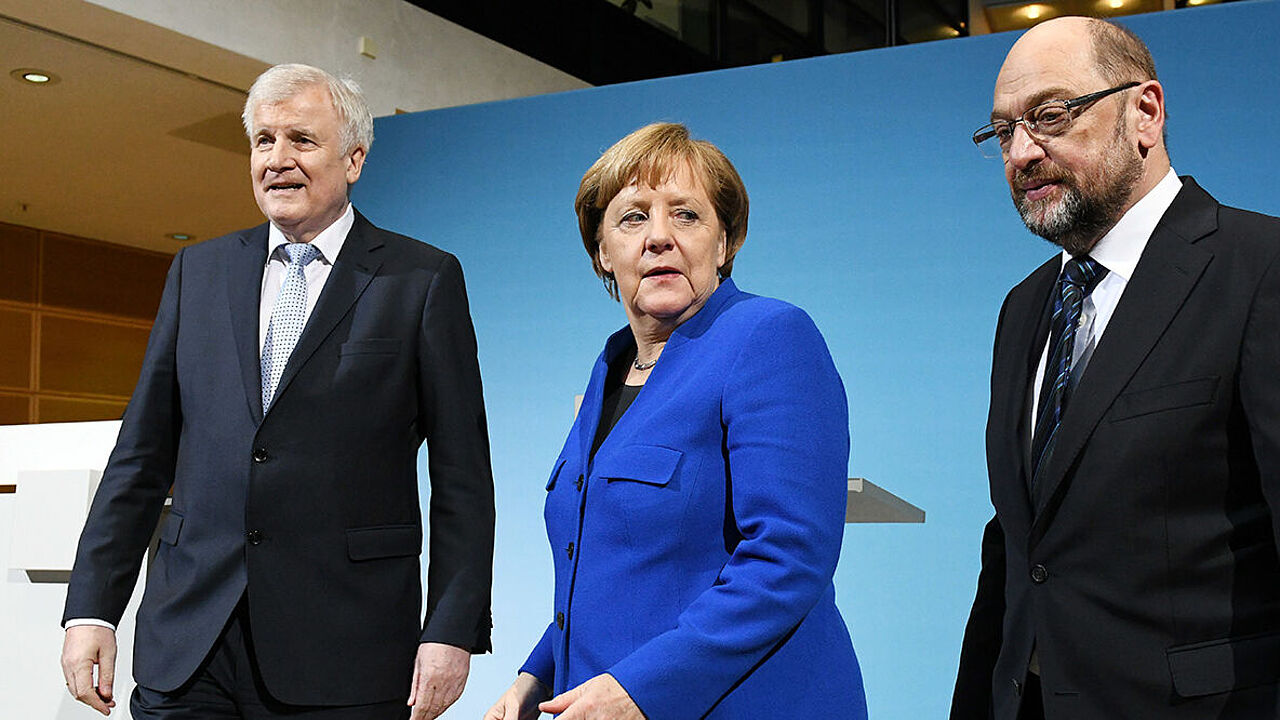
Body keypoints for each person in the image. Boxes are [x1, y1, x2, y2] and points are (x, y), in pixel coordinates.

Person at [59, 64, 495, 720]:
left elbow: (462, 479)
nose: (278, 159)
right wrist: (92, 607)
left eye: (301, 140)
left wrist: (451, 627)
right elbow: (140, 458)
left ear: (354, 159)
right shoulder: (197, 272)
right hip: (190, 644)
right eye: (263, 141)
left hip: (345, 651)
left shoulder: (421, 278)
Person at [952, 16, 1280, 720]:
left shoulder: (1261, 269)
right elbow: (1017, 549)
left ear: (1145, 113)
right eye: (1002, 132)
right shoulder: (1024, 307)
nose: (1021, 152)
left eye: (1050, 115)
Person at [484, 122, 867, 720]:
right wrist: (537, 673)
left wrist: (643, 687)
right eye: (633, 217)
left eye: (685, 215)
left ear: (724, 242)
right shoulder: (609, 368)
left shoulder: (769, 337)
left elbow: (788, 554)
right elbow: (602, 565)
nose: (659, 237)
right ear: (602, 252)